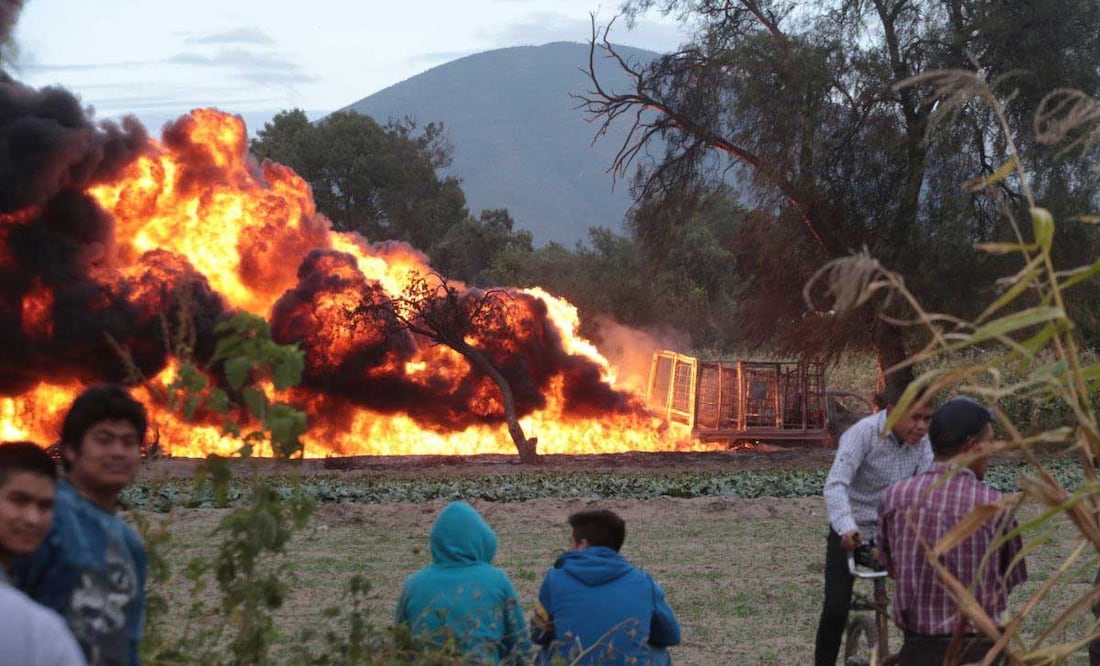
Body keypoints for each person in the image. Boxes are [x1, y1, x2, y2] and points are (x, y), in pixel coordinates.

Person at [878, 396, 1027, 665]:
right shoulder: (995, 506)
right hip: (981, 652)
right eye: (989, 442)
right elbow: (1011, 577)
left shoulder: (895, 498)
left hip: (918, 650)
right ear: (972, 446)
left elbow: (891, 566)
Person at [11, 385, 149, 666]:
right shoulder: (48, 517)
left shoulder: (129, 542)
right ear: (71, 451)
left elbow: (128, 640)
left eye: (129, 442)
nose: (118, 452)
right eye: (104, 440)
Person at [814, 382, 934, 666]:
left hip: (894, 534)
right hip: (852, 531)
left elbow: (927, 488)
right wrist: (846, 528)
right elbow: (835, 486)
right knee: (835, 609)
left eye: (927, 419)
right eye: (914, 418)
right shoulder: (862, 434)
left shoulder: (924, 444)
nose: (921, 426)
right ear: (892, 412)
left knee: (920, 607)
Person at [531, 509, 681, 666]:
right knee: (658, 653)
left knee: (546, 652)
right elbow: (671, 636)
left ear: (582, 544)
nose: (568, 548)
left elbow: (538, 634)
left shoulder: (555, 579)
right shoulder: (644, 582)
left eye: (571, 542)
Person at [395, 501, 531, 664]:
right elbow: (521, 648)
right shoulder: (497, 580)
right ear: (482, 538)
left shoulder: (413, 585)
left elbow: (398, 649)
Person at [0, 441, 86, 666]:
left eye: (45, 506)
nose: (33, 518)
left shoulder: (38, 627)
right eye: (19, 501)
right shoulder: (39, 631)